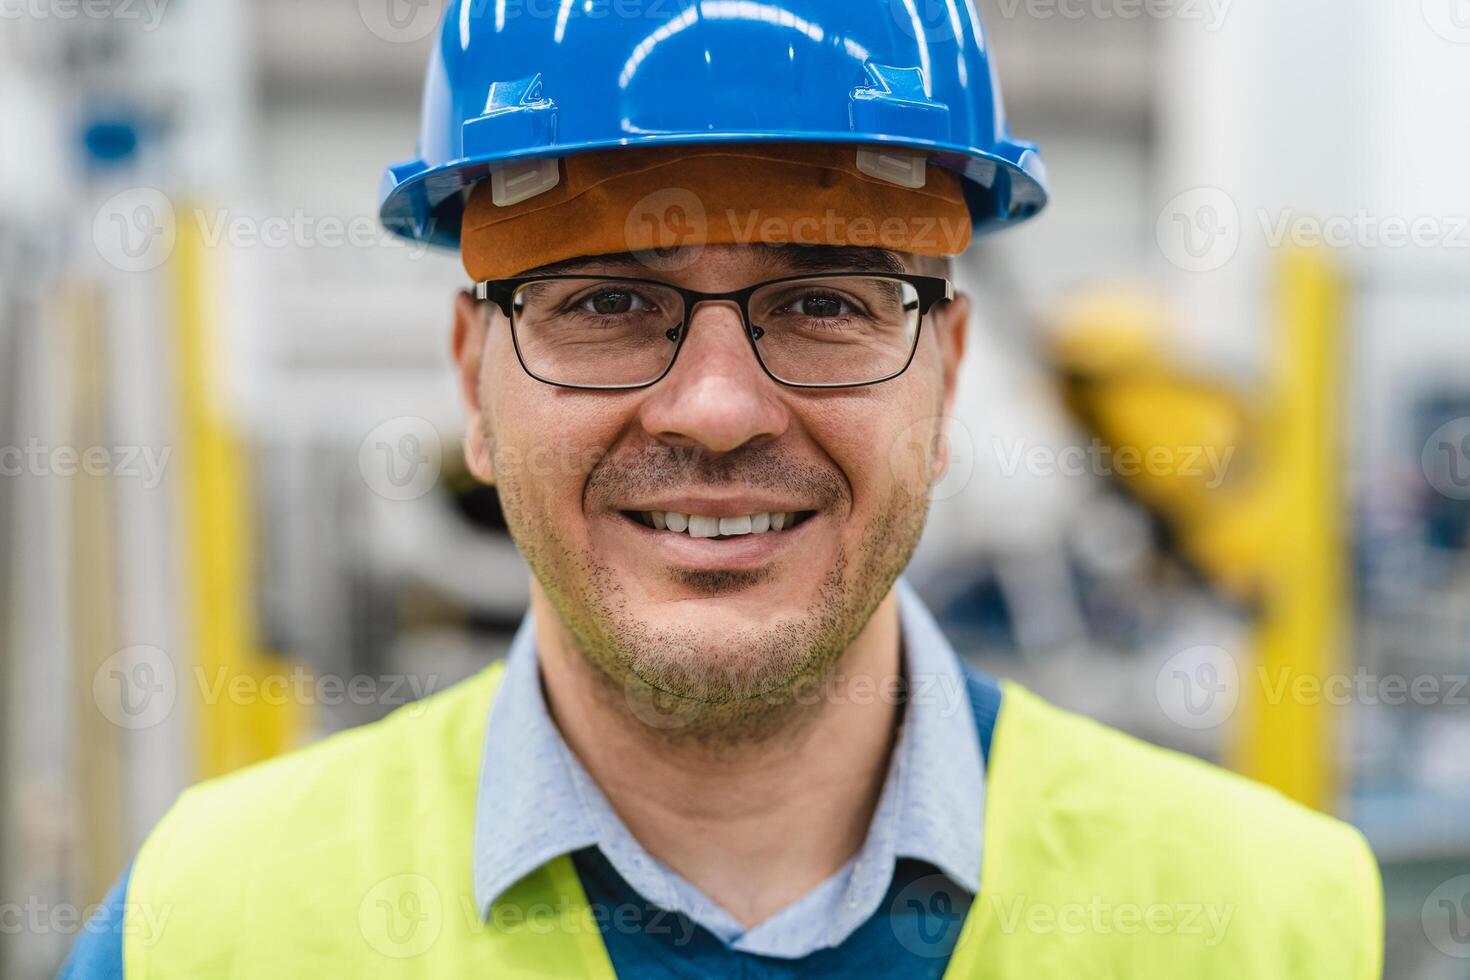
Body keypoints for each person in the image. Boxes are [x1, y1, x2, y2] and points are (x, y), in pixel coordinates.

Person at [63, 1, 1381, 977]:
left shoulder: (1265, 925)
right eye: (606, 303)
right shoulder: (213, 925)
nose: (713, 408)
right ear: (474, 383)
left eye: (820, 303)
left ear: (945, 377)